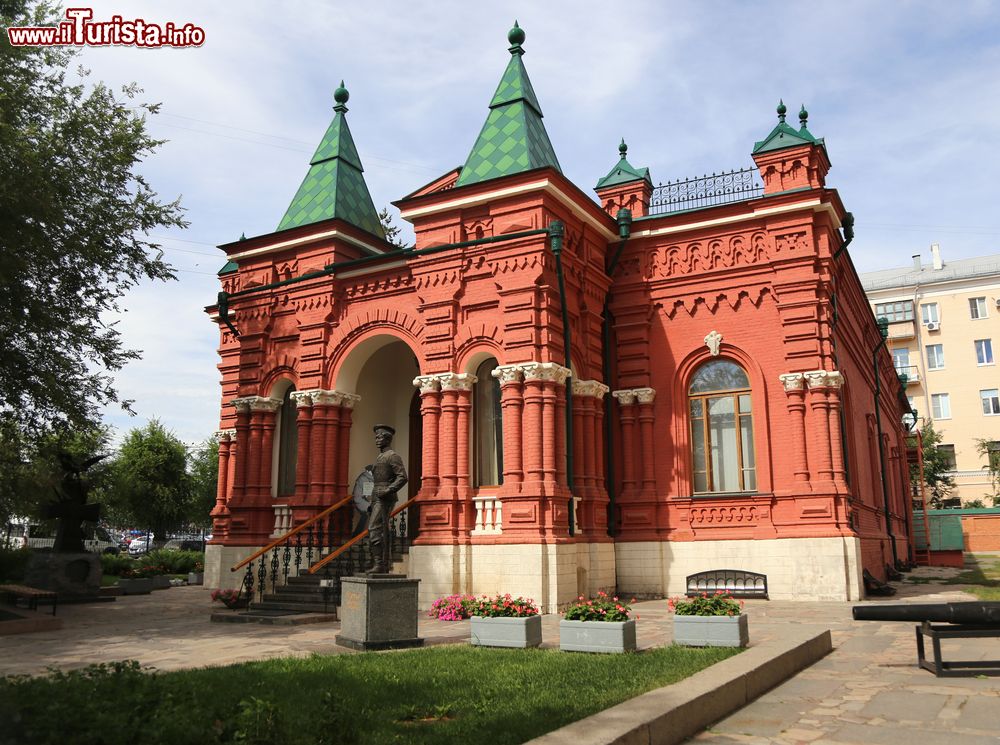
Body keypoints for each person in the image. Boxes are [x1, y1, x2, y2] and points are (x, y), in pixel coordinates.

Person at [366, 424, 407, 573]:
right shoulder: (380, 457)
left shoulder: (392, 456)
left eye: (380, 437)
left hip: (385, 496)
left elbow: (402, 477)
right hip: (377, 495)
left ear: (388, 439)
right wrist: (372, 499)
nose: (377, 440)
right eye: (376, 437)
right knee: (377, 529)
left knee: (375, 529)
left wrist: (389, 490)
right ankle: (380, 563)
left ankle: (380, 564)